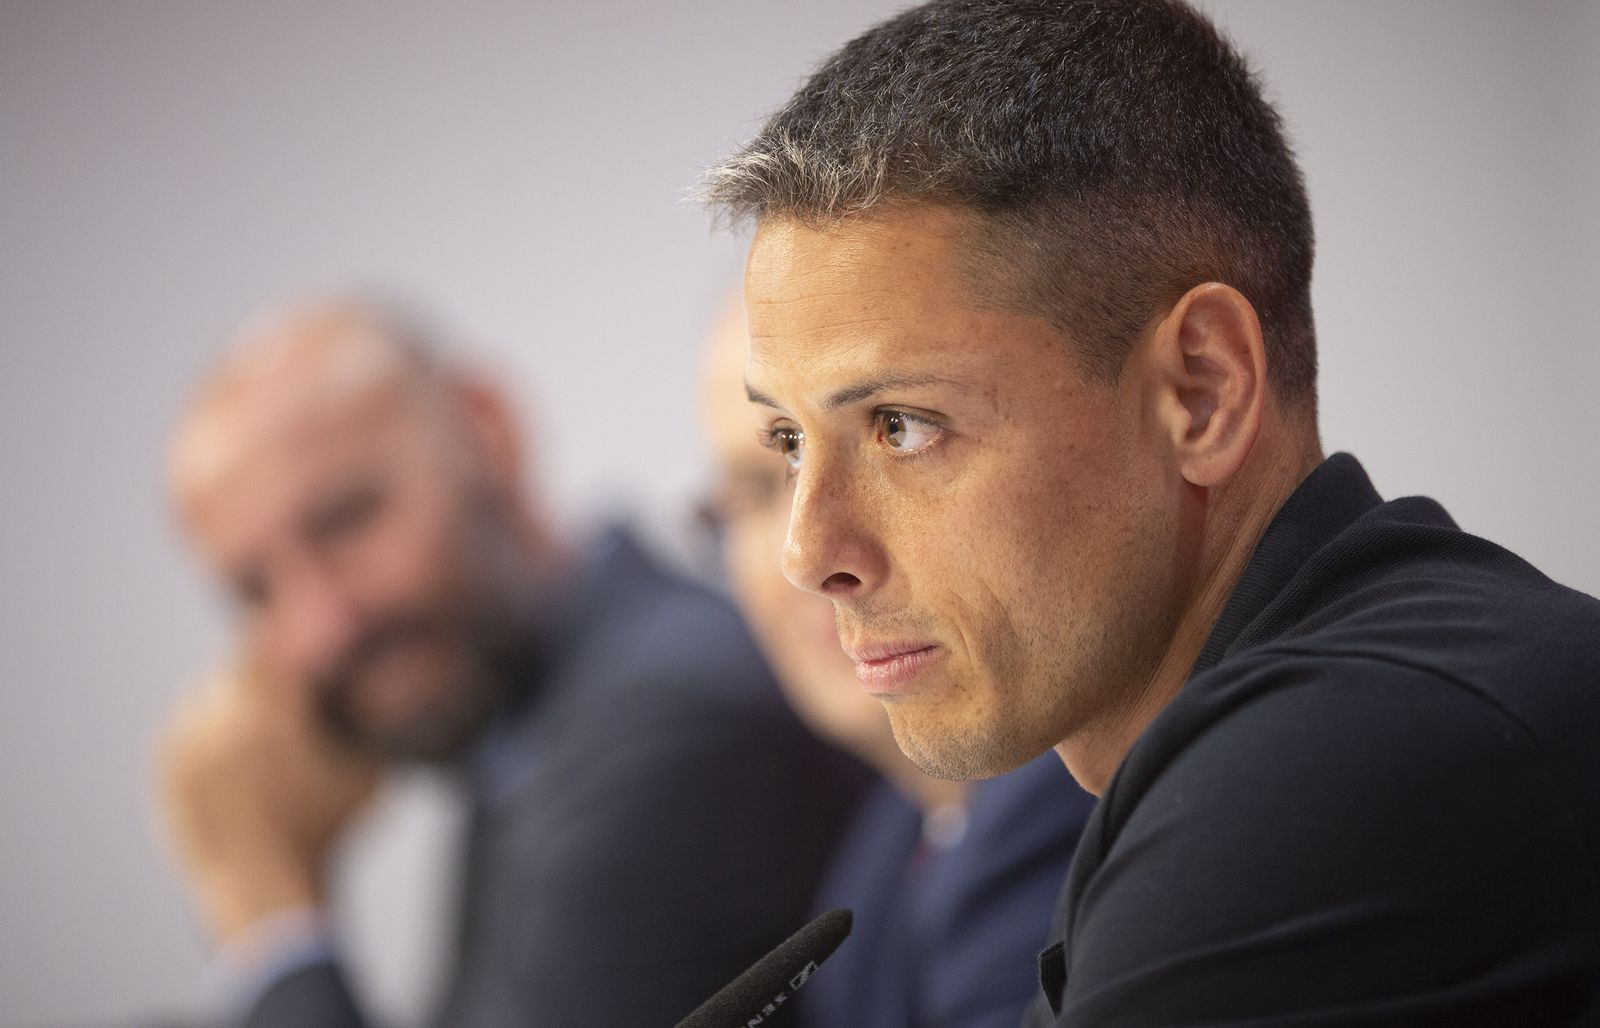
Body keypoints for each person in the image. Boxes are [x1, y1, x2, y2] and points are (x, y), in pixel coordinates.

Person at [697, 0, 1600, 1023]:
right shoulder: (1260, 732)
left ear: (1200, 391)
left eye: (902, 425)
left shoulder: (1325, 767)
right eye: (785, 442)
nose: (809, 551)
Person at [157, 294, 868, 1027]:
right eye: (255, 591)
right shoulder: (518, 728)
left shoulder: (671, 735)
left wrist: (266, 911)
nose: (322, 629)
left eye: (346, 519)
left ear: (486, 431)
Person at [699, 301, 1092, 1028]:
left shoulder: (1070, 808)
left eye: (894, 431)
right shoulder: (880, 854)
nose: (806, 552)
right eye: (762, 484)